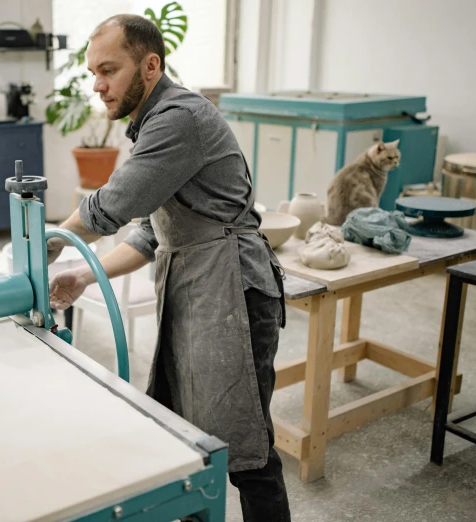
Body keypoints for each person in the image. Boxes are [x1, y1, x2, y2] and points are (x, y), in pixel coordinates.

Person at [46, 14, 291, 522]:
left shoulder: (179, 118)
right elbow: (150, 233)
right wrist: (83, 275)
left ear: (151, 65)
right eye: (94, 72)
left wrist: (48, 241)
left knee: (247, 449)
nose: (98, 85)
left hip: (233, 290)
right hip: (198, 286)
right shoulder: (155, 122)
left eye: (109, 70)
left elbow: (114, 204)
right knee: (185, 431)